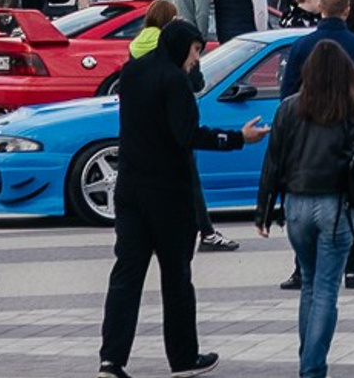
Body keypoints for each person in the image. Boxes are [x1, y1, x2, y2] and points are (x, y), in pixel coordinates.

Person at [99, 22, 267, 378]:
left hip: (130, 189)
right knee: (176, 278)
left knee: (125, 277)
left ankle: (111, 360)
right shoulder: (174, 82)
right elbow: (186, 134)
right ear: (181, 47)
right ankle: (183, 357)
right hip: (168, 194)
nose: (196, 60)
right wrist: (239, 138)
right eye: (195, 52)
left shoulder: (132, 73)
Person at [255, 38, 354, 378]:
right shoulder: (353, 109)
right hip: (335, 205)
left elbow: (274, 161)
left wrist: (263, 210)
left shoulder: (289, 108)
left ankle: (308, 359)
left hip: (295, 204)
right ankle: (312, 367)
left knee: (309, 283)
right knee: (326, 288)